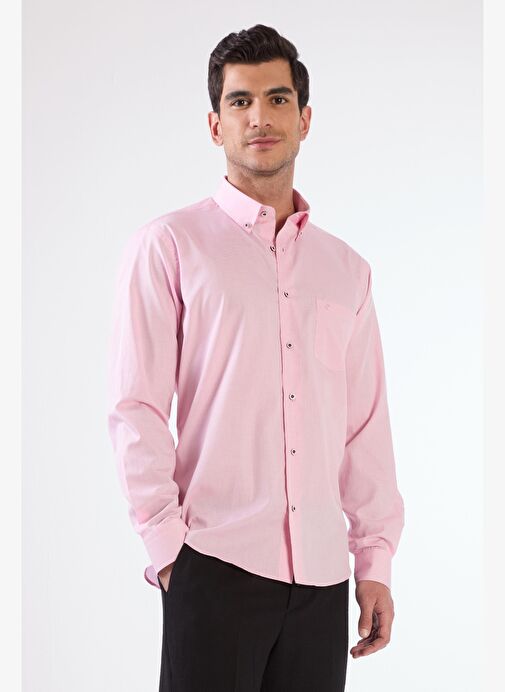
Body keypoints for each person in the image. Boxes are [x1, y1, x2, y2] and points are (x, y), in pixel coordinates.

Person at [107, 23, 405, 692]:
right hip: (213, 565)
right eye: (240, 101)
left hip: (322, 582)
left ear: (304, 120)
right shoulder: (170, 246)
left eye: (277, 99)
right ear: (216, 125)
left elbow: (364, 427)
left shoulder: (347, 271)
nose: (259, 117)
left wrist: (374, 560)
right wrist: (169, 550)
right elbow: (136, 407)